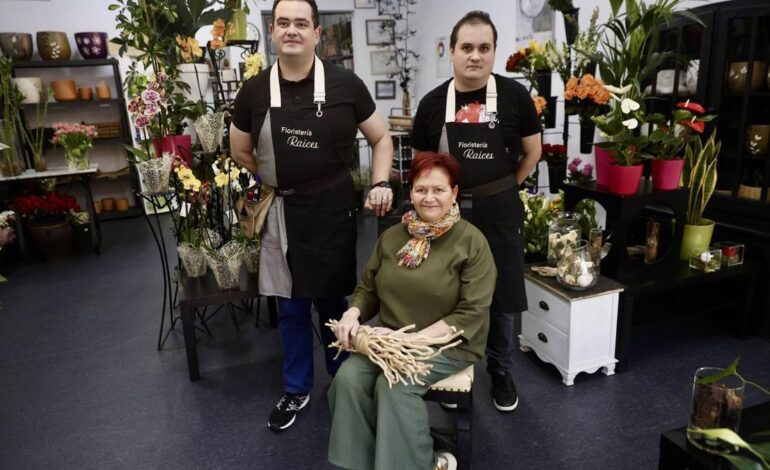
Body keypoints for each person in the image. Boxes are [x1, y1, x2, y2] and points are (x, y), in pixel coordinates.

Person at [230, 0, 394, 432]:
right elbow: (239, 149)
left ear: (317, 33)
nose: (292, 30)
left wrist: (379, 183)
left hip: (333, 209)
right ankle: (296, 388)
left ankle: (344, 383)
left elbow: (381, 139)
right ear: (272, 32)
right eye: (283, 22)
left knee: (335, 302)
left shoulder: (346, 85)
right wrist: (278, 178)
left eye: (302, 23)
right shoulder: (254, 92)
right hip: (281, 208)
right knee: (289, 305)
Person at [327, 152, 496, 470]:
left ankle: (425, 462)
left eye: (439, 190)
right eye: (421, 189)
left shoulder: (472, 243)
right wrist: (353, 315)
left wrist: (411, 341)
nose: (428, 198)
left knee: (395, 385)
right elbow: (368, 290)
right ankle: (364, 462)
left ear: (454, 193)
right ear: (410, 192)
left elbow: (471, 313)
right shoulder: (391, 237)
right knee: (348, 379)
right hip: (390, 340)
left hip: (449, 343)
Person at [410, 11, 542, 412]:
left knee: (501, 296)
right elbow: (420, 165)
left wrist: (503, 189)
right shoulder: (433, 104)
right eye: (466, 47)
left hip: (499, 209)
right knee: (448, 292)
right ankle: (450, 369)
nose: (475, 56)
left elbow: (532, 152)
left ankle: (501, 371)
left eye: (484, 48)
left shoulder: (515, 97)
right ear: (452, 51)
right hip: (446, 216)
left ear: (494, 52)